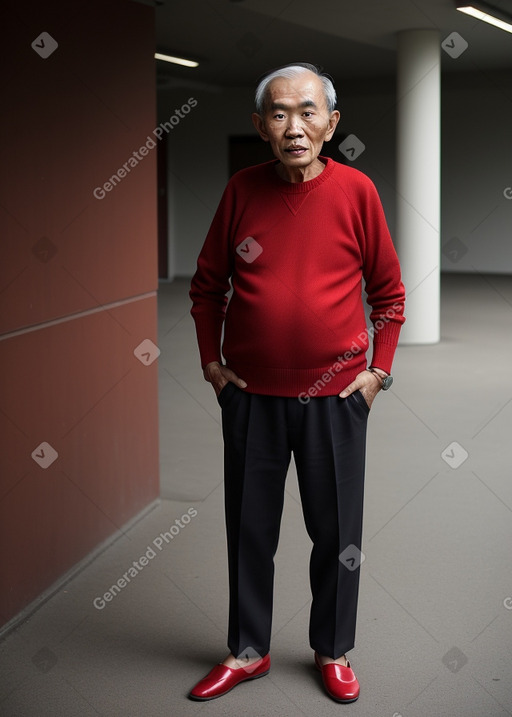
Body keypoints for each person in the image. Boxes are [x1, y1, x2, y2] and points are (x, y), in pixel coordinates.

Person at [188, 62, 405, 704]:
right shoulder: (241, 191)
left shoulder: (357, 191)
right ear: (260, 126)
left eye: (308, 112)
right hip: (251, 396)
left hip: (335, 400)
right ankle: (248, 650)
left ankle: (332, 649)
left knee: (336, 536)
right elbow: (207, 288)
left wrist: (378, 373)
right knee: (250, 528)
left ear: (331, 123)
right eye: (279, 114)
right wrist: (212, 365)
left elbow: (389, 295)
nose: (294, 126)